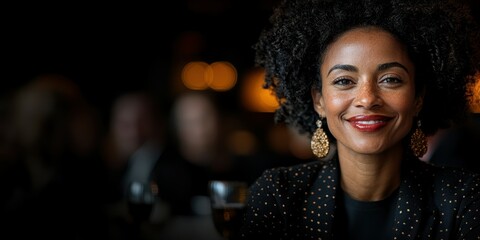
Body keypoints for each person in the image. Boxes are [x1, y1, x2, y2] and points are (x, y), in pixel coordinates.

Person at [239, 0, 480, 239]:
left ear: (417, 98)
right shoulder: (278, 195)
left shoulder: (462, 198)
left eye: (390, 79)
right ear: (319, 100)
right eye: (344, 81)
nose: (367, 99)